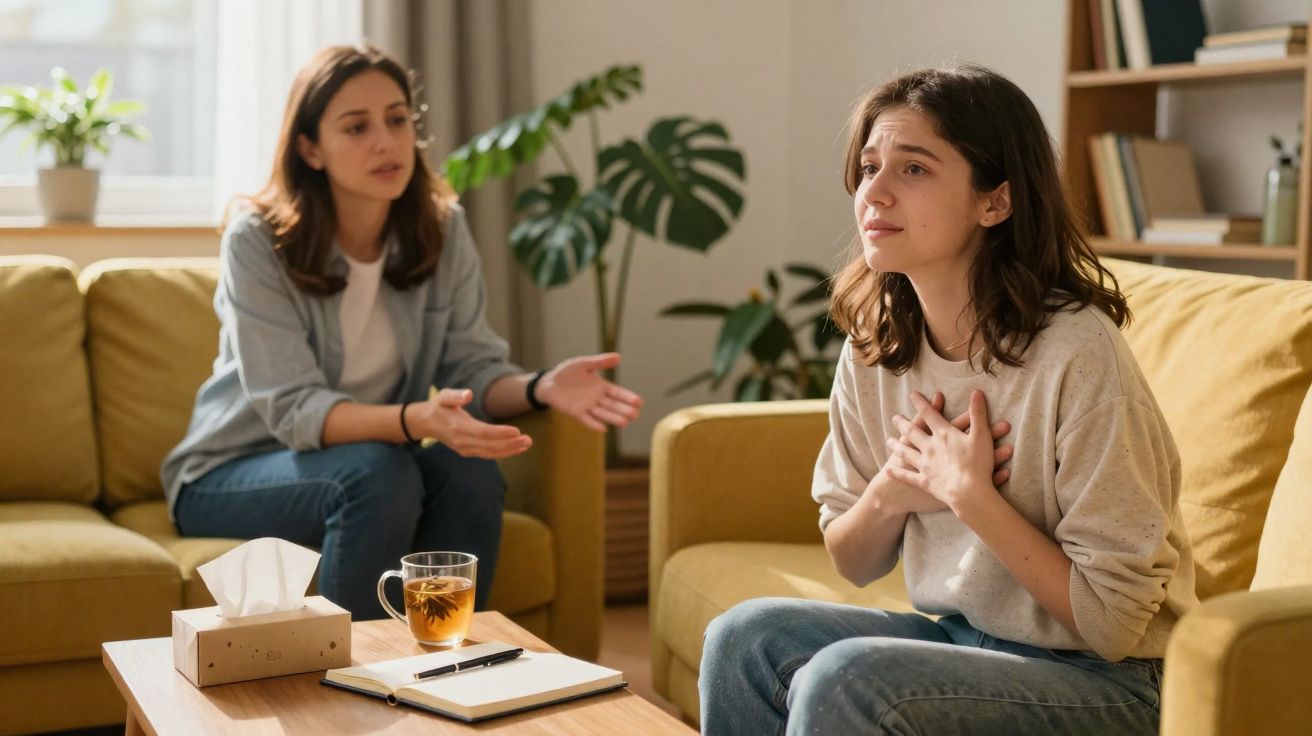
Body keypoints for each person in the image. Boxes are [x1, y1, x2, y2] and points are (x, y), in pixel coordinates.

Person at [699, 64, 1198, 735]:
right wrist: (896, 489)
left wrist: (971, 497)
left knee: (844, 679)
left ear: (995, 202)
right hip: (969, 642)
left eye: (912, 169)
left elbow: (1111, 625)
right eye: (869, 166)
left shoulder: (1077, 354)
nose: (872, 192)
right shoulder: (879, 344)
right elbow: (852, 559)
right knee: (744, 639)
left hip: (1117, 681)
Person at [161, 44, 643, 619]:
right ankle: (352, 685)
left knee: (468, 471)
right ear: (311, 148)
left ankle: (445, 667)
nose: (387, 142)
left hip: (371, 455)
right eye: (357, 127)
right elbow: (295, 410)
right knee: (376, 472)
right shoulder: (257, 241)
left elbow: (470, 366)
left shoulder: (441, 230)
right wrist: (415, 421)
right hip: (232, 471)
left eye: (397, 119)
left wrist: (540, 387)